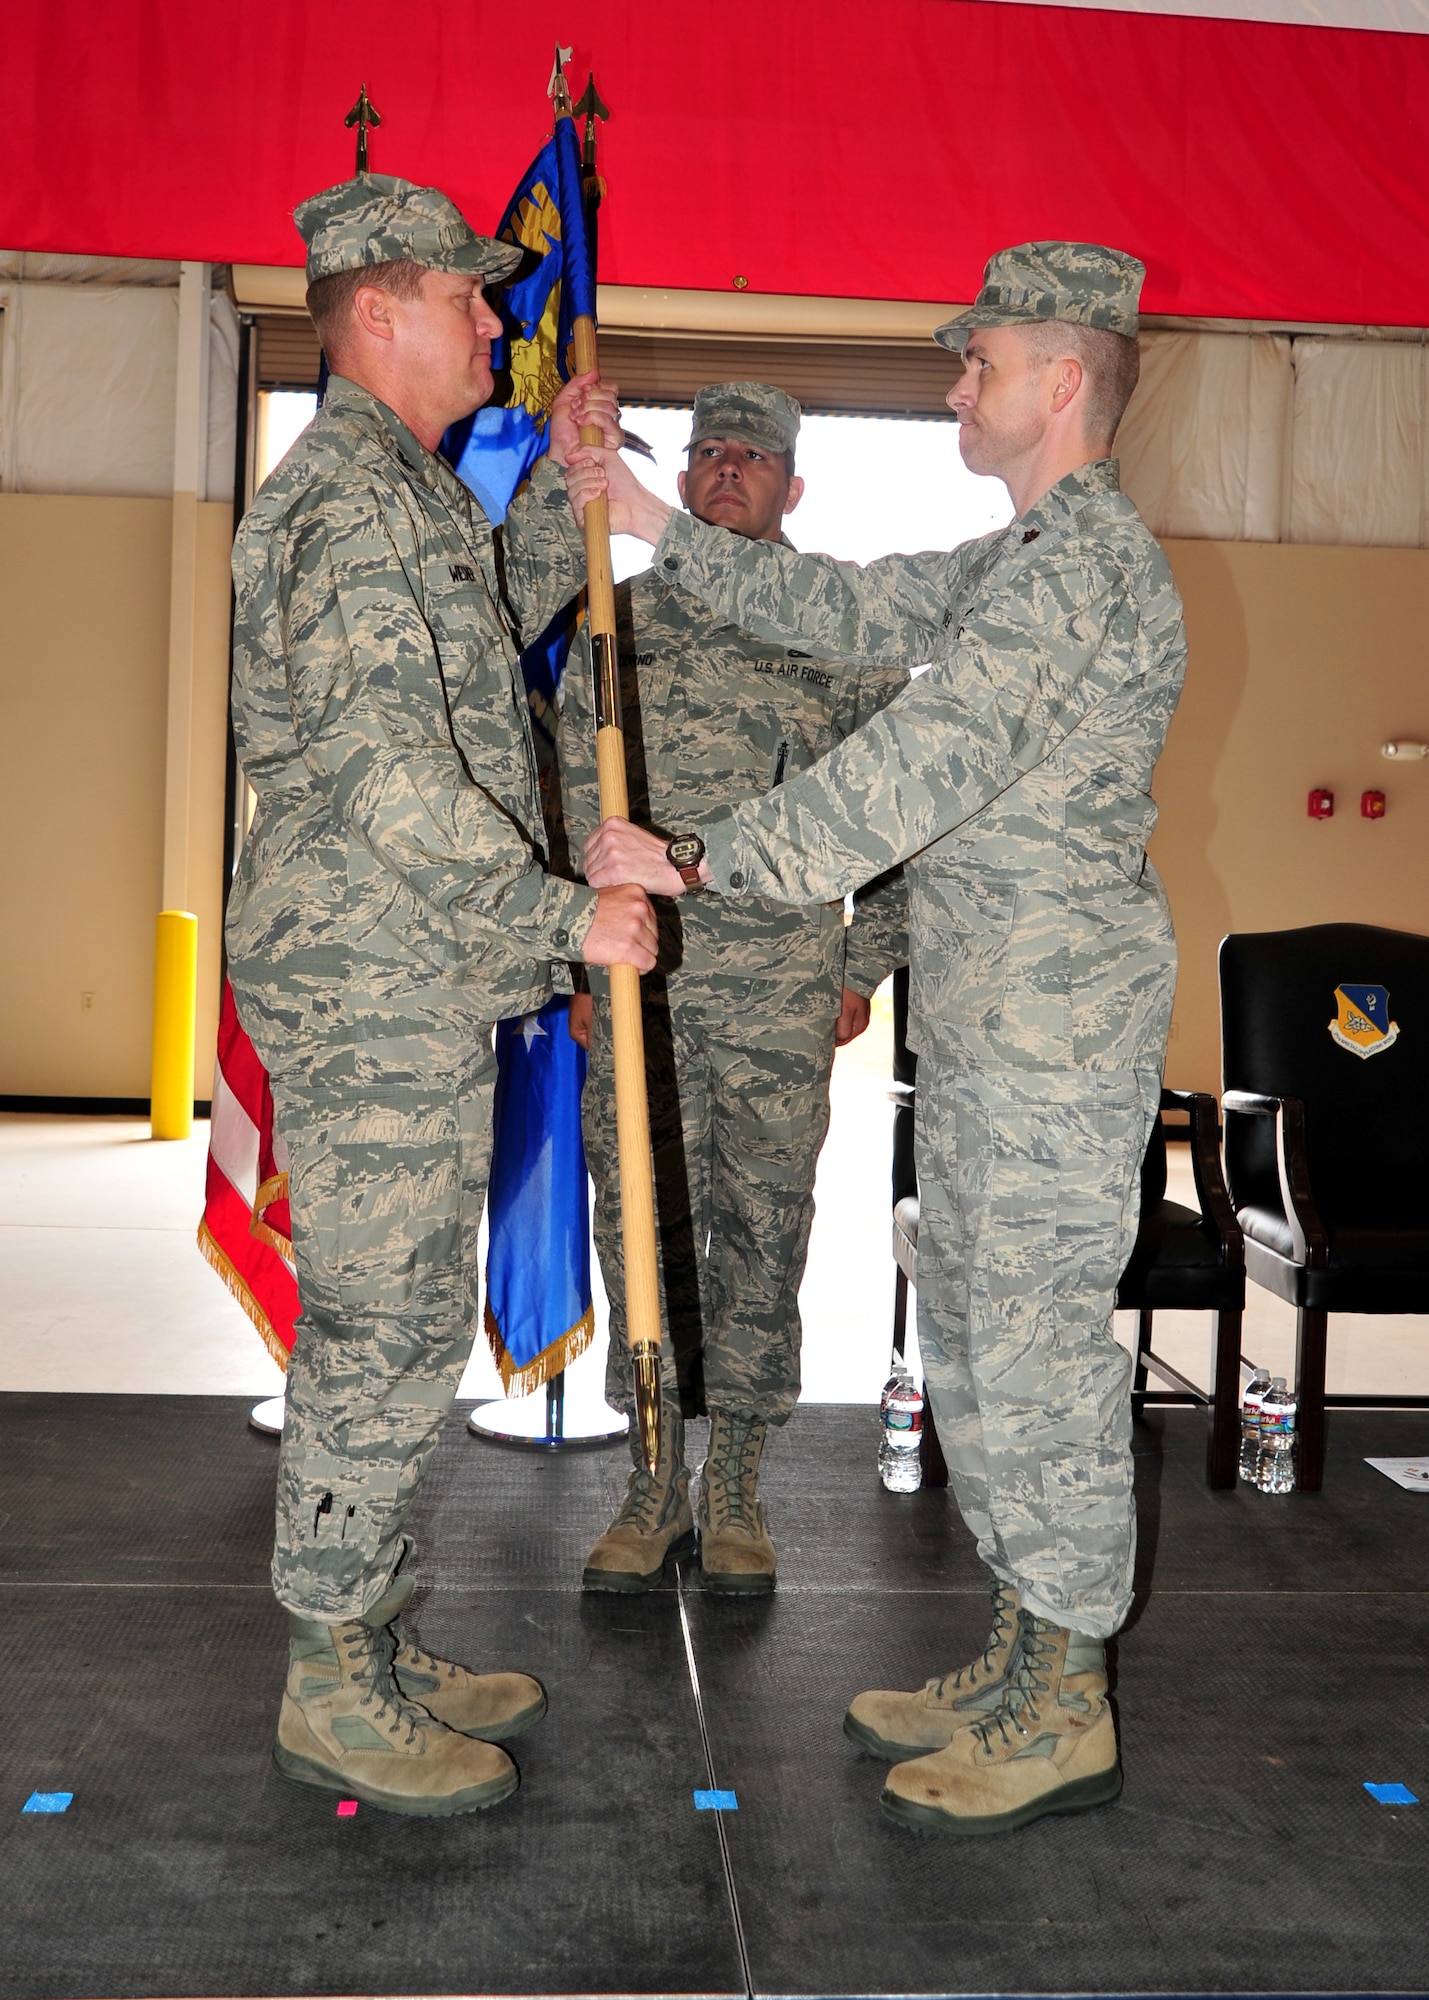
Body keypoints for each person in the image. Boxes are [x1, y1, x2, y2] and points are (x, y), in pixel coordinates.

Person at [567, 243, 1186, 1838]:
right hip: (994, 1022)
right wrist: (645, 524)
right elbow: (845, 603)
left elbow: (919, 763)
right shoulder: (1021, 552)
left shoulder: (1083, 566)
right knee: (980, 1346)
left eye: (979, 365)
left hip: (1052, 1031)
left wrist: (707, 859)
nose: (956, 387)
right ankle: (1022, 1652)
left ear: (1062, 381)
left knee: (1037, 1358)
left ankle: (1066, 1705)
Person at [226, 172, 657, 1819]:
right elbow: (399, 783)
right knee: (380, 1331)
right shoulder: (341, 508)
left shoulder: (400, 499)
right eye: (469, 298)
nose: (498, 321)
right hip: (364, 972)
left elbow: (487, 648)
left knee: (403, 1323)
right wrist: (569, 917)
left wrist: (565, 488)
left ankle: (374, 1638)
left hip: (401, 967)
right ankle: (331, 1684)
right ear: (375, 311)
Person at [555, 383, 906, 1596]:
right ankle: (652, 1482)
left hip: (776, 997)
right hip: (638, 992)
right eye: (707, 450)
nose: (724, 469)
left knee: (762, 1234)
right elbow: (562, 802)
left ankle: (739, 1484)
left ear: (792, 487)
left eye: (754, 456)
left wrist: (859, 967)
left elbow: (909, 822)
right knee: (638, 1230)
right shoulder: (618, 618)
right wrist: (571, 962)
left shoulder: (841, 634)